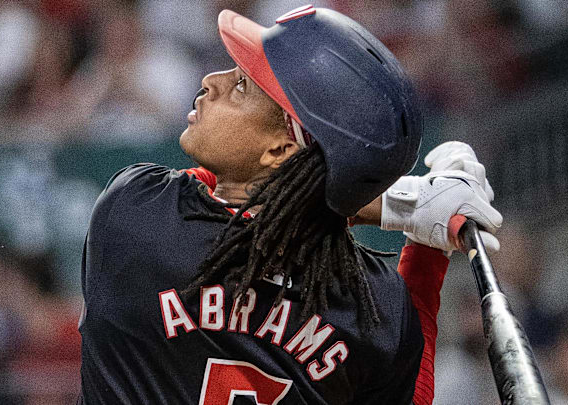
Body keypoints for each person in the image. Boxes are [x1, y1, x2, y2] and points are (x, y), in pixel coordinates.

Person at [77, 6, 501, 405]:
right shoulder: (375, 303)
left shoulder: (135, 211)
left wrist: (403, 202)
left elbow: (230, 196)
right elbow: (413, 395)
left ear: (280, 149)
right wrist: (426, 242)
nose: (212, 81)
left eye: (242, 85)